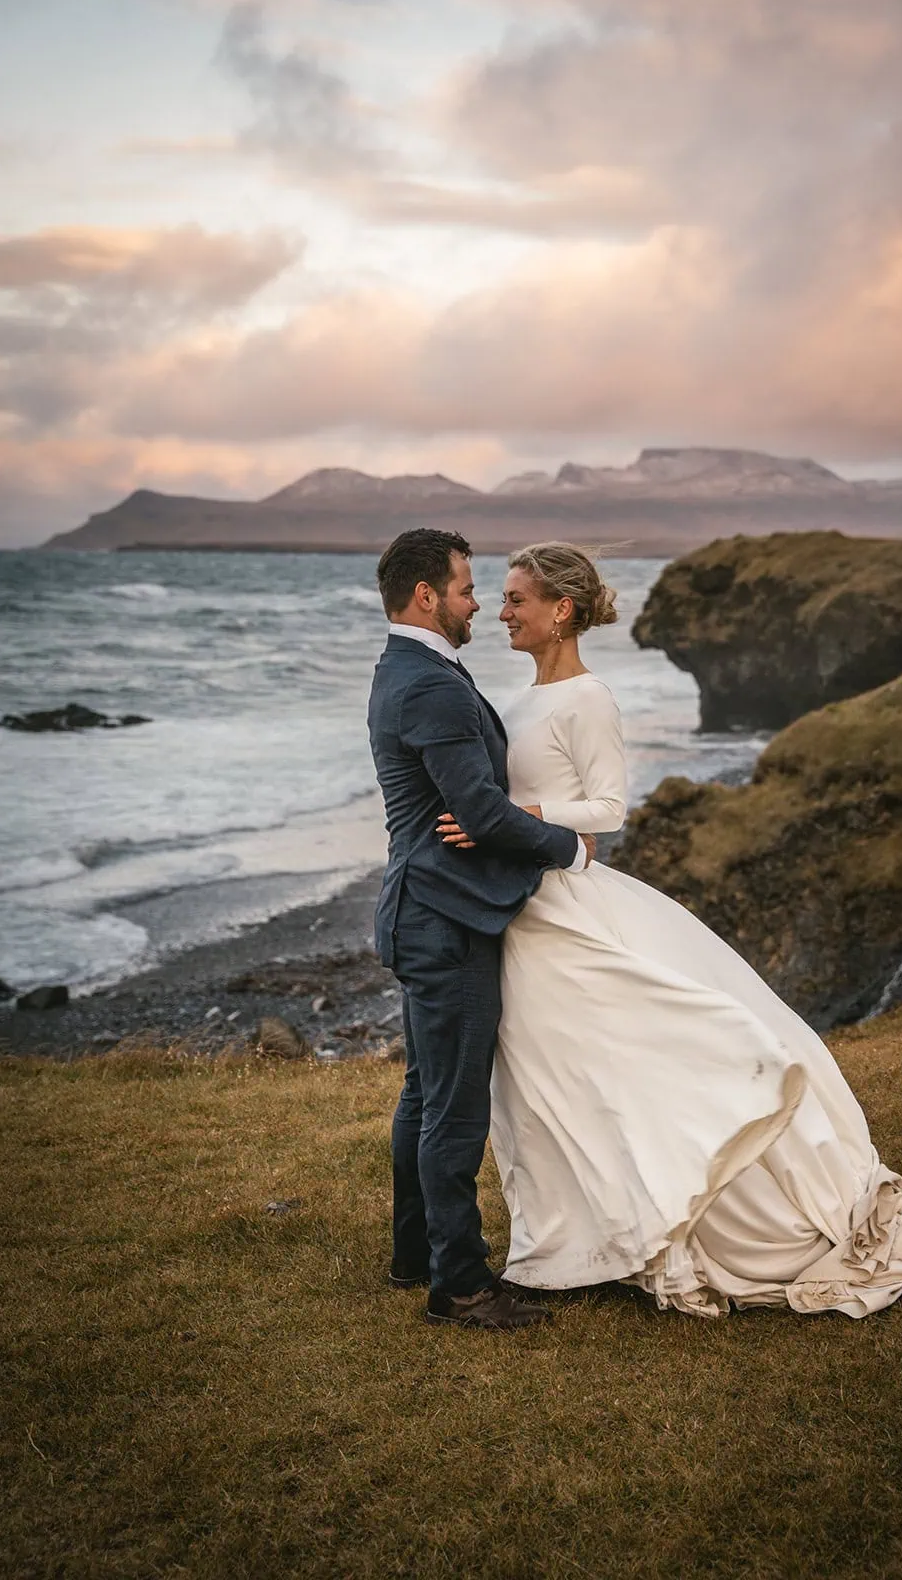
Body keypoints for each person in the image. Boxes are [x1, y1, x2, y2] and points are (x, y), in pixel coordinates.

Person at [435, 542, 902, 1318]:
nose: (501, 612)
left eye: (516, 599)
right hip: (521, 908)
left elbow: (607, 811)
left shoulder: (588, 699)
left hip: (565, 901)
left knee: (617, 1065)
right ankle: (578, 1232)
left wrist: (520, 817)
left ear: (561, 609)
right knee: (553, 1081)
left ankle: (676, 1222)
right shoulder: (515, 700)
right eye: (497, 598)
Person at [367, 528, 598, 1331]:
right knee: (454, 1110)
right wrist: (567, 844)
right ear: (426, 596)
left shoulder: (407, 666)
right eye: (466, 588)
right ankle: (458, 1286)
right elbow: (477, 812)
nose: (477, 603)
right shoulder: (427, 681)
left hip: (420, 907)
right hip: (446, 917)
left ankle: (414, 1256)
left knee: (424, 1094)